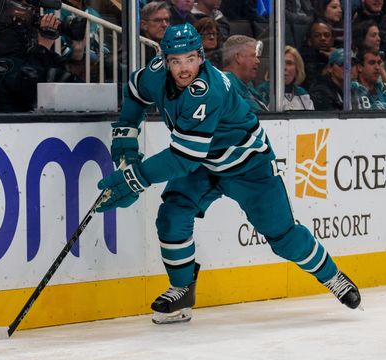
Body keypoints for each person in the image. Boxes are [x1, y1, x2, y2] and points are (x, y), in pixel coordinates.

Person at [95, 23, 361, 324]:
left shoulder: (208, 91)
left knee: (283, 237)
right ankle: (182, 290)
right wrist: (127, 136)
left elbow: (183, 158)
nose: (184, 69)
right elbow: (134, 92)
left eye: (190, 59)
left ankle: (332, 276)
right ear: (165, 59)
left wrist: (134, 178)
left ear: (201, 56)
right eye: (176, 61)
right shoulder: (156, 72)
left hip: (249, 166)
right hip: (205, 165)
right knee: (172, 215)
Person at [221, 34, 269, 112]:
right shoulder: (224, 86)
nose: (258, 61)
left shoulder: (247, 86)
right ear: (238, 57)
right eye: (253, 56)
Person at [299, 20, 336, 88]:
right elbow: (313, 85)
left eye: (327, 35)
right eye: (317, 35)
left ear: (332, 40)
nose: (322, 38)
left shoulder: (339, 56)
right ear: (310, 41)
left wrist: (335, 58)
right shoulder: (302, 59)